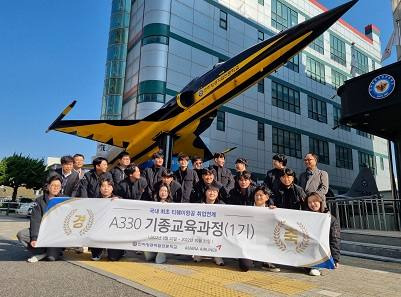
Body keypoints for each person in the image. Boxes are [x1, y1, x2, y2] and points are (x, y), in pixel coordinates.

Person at [17, 175, 64, 262]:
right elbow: (35, 220)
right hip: (43, 231)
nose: (56, 188)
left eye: (58, 186)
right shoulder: (39, 200)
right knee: (22, 234)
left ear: (61, 187)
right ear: (48, 186)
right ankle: (41, 252)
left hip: (57, 234)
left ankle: (53, 252)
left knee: (51, 258)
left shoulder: (65, 200)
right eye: (53, 185)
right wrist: (34, 238)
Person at [238, 185, 279, 272]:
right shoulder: (246, 208)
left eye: (261, 195)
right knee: (244, 266)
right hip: (248, 242)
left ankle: (266, 261)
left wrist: (275, 213)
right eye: (256, 195)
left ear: (267, 197)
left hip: (264, 242)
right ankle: (251, 258)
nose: (258, 197)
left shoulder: (271, 210)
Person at [305, 193, 340, 276]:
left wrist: (335, 259)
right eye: (309, 202)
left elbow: (335, 239)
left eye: (315, 201)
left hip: (321, 250)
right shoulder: (305, 216)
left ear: (321, 202)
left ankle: (316, 267)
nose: (312, 204)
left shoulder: (330, 219)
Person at [91, 177, 124, 261]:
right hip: (99, 230)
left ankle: (122, 250)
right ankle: (98, 251)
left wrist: (120, 201)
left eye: (109, 186)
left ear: (112, 188)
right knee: (95, 256)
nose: (106, 188)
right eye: (103, 186)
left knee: (113, 258)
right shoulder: (94, 201)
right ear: (99, 188)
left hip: (113, 232)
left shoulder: (118, 199)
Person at [192, 184, 224, 266]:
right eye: (209, 191)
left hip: (215, 230)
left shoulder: (222, 205)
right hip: (201, 230)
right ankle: (198, 252)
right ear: (205, 192)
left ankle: (217, 255)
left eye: (214, 191)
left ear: (217, 193)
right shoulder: (198, 204)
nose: (212, 193)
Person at [144, 183, 172, 264]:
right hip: (153, 234)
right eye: (161, 190)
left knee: (159, 261)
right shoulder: (152, 204)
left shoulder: (173, 205)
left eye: (165, 191)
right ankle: (154, 252)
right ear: (158, 192)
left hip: (165, 235)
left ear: (168, 193)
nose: (163, 193)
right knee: (148, 257)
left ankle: (162, 252)